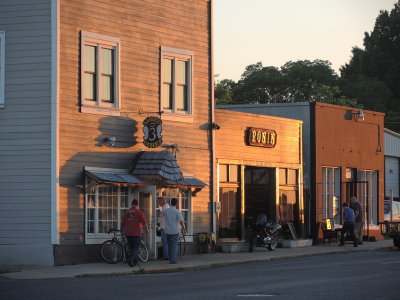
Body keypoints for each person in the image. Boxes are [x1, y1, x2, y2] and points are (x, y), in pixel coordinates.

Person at [121, 199, 149, 267]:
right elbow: (144, 223)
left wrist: (124, 231)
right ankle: (130, 259)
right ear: (137, 205)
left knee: (131, 247)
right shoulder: (139, 212)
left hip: (128, 233)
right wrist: (147, 230)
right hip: (136, 233)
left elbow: (123, 223)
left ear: (132, 204)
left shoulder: (127, 212)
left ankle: (135, 262)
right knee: (136, 247)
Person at [160, 198, 186, 264]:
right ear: (176, 203)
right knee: (174, 246)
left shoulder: (166, 211)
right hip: (175, 231)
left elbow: (161, 213)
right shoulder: (177, 211)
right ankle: (173, 260)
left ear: (170, 203)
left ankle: (170, 258)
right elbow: (181, 221)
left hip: (168, 231)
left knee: (169, 245)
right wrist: (184, 229)